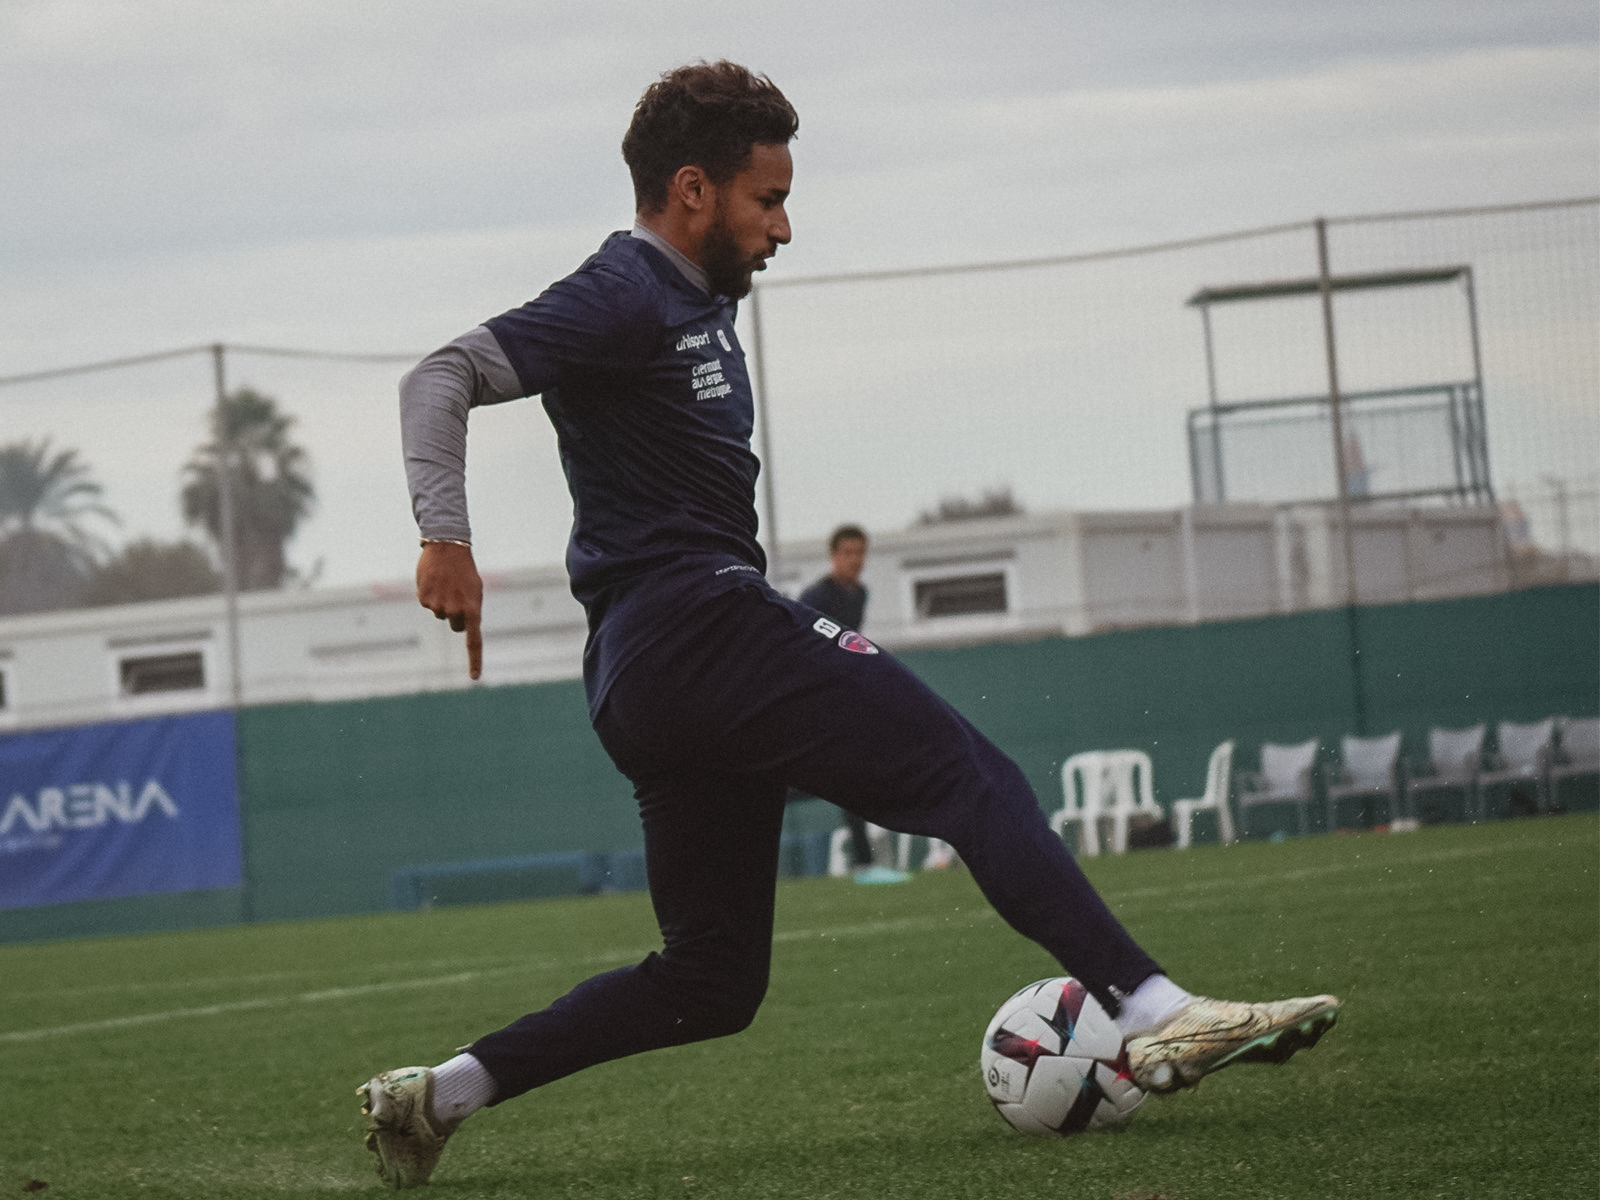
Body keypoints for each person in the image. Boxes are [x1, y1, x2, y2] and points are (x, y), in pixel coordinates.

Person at [361, 60, 1339, 1189]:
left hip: (650, 674)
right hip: (695, 631)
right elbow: (437, 378)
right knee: (967, 773)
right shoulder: (624, 291)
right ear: (691, 191)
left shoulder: (693, 306)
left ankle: (435, 1097)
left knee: (711, 982)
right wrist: (446, 538)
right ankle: (1158, 1009)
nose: (784, 225)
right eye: (765, 199)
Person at [796, 524, 909, 881]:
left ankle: (864, 865)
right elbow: (803, 649)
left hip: (840, 698)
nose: (855, 560)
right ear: (833, 556)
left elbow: (851, 646)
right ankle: (864, 864)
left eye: (860, 553)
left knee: (850, 777)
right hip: (811, 699)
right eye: (847, 553)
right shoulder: (815, 596)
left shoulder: (860, 594)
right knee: (836, 776)